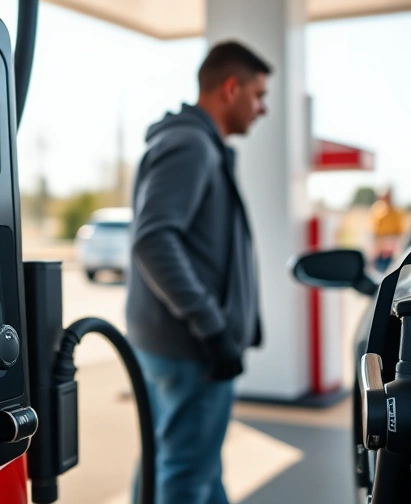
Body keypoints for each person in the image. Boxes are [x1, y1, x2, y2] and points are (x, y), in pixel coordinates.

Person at [126, 40, 269, 504]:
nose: (262, 108)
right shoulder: (191, 146)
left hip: (182, 344)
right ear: (231, 89)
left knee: (177, 462)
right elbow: (153, 240)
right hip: (193, 350)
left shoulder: (196, 144)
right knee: (186, 473)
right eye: (258, 95)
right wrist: (212, 328)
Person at [369, 188, 406, 272]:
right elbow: (375, 232)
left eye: (388, 197)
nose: (386, 199)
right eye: (384, 197)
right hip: (380, 249)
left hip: (391, 248)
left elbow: (399, 232)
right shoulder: (377, 210)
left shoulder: (396, 212)